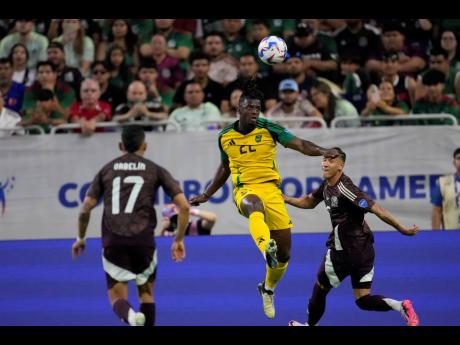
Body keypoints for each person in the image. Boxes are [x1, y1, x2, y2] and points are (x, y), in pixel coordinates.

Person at [189, 78, 338, 320]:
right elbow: (225, 168)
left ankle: (267, 289)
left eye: (258, 109)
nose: (254, 112)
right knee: (253, 206)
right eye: (250, 108)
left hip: (272, 190)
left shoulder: (269, 128)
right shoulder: (225, 136)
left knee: (285, 255)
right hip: (245, 189)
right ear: (239, 108)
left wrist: (323, 151)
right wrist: (207, 194)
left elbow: (300, 144)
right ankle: (264, 248)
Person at [283, 147, 420, 326]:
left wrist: (403, 229)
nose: (325, 163)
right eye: (324, 159)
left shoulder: (346, 189)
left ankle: (309, 326)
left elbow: (377, 209)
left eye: (331, 160)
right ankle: (402, 306)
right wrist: (286, 198)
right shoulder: (326, 185)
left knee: (320, 288)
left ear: (341, 165)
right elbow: (309, 201)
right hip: (365, 252)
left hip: (344, 252)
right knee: (363, 299)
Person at [71, 125, 191, 326]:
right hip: (143, 239)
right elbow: (185, 207)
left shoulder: (106, 170)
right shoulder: (155, 169)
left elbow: (85, 209)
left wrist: (80, 238)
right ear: (145, 145)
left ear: (121, 145)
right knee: (146, 293)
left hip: (113, 239)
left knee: (117, 298)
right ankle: (139, 320)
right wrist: (178, 240)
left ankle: (131, 318)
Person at [431, 147, 460, 230]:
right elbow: (437, 212)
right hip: (451, 235)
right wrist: (435, 238)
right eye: (459, 158)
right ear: (454, 162)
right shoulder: (442, 183)